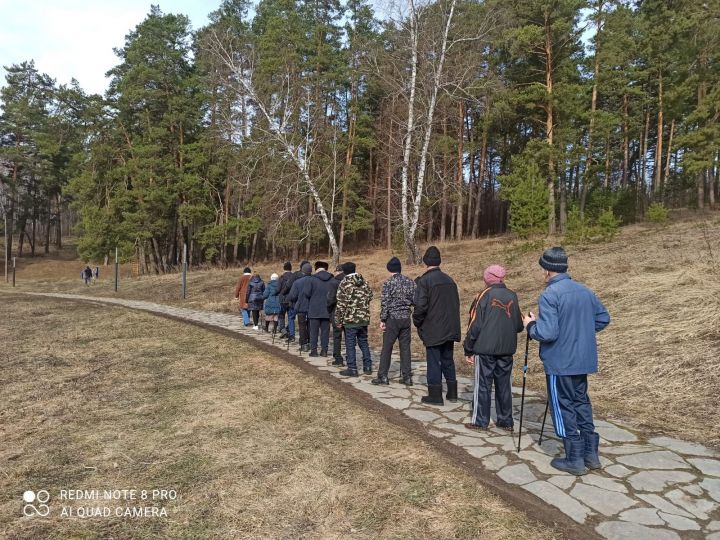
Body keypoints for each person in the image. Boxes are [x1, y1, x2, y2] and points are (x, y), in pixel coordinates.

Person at [524, 247, 610, 476]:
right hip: (582, 359)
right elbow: (603, 318)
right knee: (581, 403)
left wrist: (530, 326)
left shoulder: (550, 295)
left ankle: (574, 458)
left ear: (546, 270)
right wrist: (580, 332)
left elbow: (548, 332)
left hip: (560, 361)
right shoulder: (584, 291)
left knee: (562, 407)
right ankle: (591, 455)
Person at [463, 265, 524, 431]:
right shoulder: (512, 295)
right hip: (507, 349)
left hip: (485, 349)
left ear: (488, 278)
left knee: (483, 384)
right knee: (504, 385)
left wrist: (468, 348)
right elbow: (519, 325)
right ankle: (505, 420)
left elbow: (474, 325)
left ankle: (480, 421)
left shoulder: (484, 295)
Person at [413, 246, 461, 406]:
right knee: (448, 359)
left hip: (434, 326)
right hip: (450, 326)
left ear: (425, 262)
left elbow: (420, 307)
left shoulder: (425, 281)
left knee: (434, 360)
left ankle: (435, 395)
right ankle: (452, 393)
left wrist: (417, 322)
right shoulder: (450, 280)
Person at [372, 257, 415, 386]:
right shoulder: (410, 282)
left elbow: (385, 303)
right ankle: (407, 377)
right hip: (406, 318)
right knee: (405, 348)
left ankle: (383, 376)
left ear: (389, 269)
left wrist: (383, 319)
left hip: (392, 319)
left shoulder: (388, 283)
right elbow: (415, 300)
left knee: (387, 347)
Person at [334, 262, 373, 377]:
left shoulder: (344, 283)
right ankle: (367, 366)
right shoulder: (364, 281)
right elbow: (370, 296)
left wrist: (338, 321)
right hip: (363, 318)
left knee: (350, 343)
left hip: (350, 319)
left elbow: (341, 304)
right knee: (363, 342)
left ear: (344, 271)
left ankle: (352, 368)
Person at [303, 261, 333, 357]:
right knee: (325, 332)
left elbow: (306, 293)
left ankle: (314, 351)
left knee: (314, 331)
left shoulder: (312, 279)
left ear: (316, 268)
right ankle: (324, 350)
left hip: (314, 308)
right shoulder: (332, 279)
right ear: (326, 268)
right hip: (327, 309)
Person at [280, 260, 309, 343]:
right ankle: (305, 337)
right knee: (305, 320)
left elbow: (288, 285)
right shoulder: (311, 277)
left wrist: (283, 293)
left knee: (291, 317)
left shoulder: (295, 275)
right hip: (306, 301)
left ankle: (292, 335)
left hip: (294, 300)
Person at [286, 262, 313, 351]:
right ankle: (310, 342)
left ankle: (303, 344)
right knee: (310, 325)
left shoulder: (297, 282)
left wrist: (292, 300)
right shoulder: (315, 280)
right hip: (312, 306)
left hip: (301, 306)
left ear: (303, 271)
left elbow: (292, 296)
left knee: (302, 326)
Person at [326, 264, 346, 366]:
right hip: (349, 313)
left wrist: (329, 310)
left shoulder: (334, 282)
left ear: (337, 271)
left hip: (336, 311)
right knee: (348, 336)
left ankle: (338, 357)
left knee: (337, 336)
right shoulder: (349, 281)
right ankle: (350, 357)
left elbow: (330, 299)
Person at [276, 262, 293, 335]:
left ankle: (283, 329)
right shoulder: (294, 277)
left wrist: (275, 293)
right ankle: (289, 329)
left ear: (284, 268)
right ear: (291, 268)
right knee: (290, 316)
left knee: (281, 315)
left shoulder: (281, 278)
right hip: (291, 299)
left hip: (282, 299)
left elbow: (278, 289)